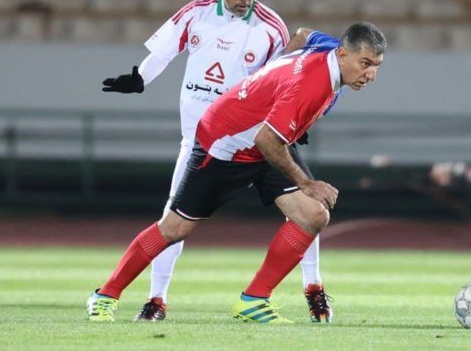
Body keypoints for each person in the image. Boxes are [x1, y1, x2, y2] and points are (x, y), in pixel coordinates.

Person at [87, 22, 386, 323]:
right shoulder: (311, 85)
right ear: (343, 54)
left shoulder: (327, 48)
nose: (371, 74)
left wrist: (273, 79)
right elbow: (267, 140)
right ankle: (105, 295)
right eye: (365, 64)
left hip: (260, 135)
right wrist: (306, 183)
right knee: (175, 228)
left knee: (313, 215)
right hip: (226, 142)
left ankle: (253, 300)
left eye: (376, 65)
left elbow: (304, 34)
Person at [100, 0, 332, 322]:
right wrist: (141, 78)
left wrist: (294, 123)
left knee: (311, 206)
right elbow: (164, 51)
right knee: (172, 222)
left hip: (258, 139)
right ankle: (156, 299)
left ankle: (314, 288)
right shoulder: (196, 13)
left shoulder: (272, 27)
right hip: (202, 143)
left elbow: (286, 75)